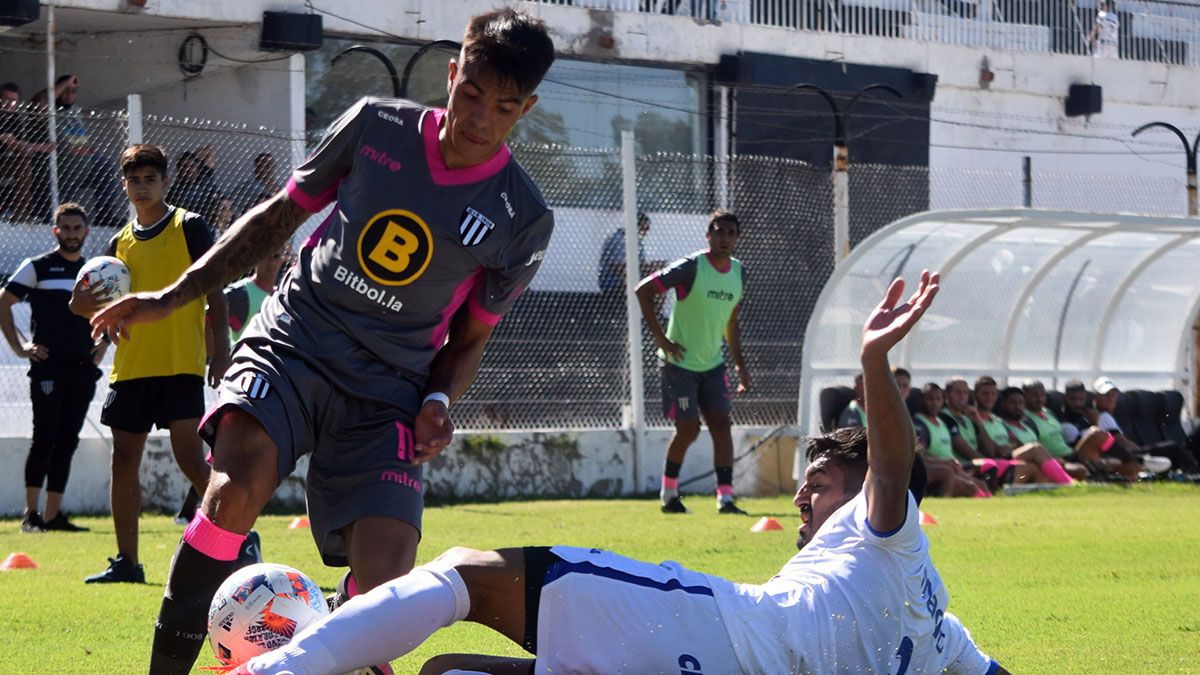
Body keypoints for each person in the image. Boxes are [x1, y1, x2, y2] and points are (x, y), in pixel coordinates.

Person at [229, 271, 1007, 675]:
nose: (805, 496)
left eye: (824, 483)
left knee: (469, 573)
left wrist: (872, 362)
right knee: (450, 669)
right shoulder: (943, 634)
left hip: (722, 633)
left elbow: (893, 464)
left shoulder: (888, 532)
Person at [90, 10, 556, 674]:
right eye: (471, 93)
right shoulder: (375, 126)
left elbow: (471, 335)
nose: (480, 116)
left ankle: (341, 624)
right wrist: (168, 297)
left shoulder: (525, 217)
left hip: (389, 390)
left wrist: (439, 400)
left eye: (503, 107)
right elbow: (278, 218)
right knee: (234, 489)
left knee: (386, 588)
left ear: (526, 109)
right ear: (452, 75)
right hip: (295, 343)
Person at [69, 144, 232, 584]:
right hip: (132, 365)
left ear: (165, 182)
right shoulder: (116, 243)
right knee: (123, 461)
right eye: (134, 180)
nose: (142, 187)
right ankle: (128, 562)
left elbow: (214, 288)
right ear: (124, 185)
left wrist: (222, 347)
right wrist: (80, 305)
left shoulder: (189, 226)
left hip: (180, 361)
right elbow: (100, 302)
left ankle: (240, 540)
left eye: (150, 179)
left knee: (190, 460)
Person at [635, 210, 751, 514]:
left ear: (737, 239)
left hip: (713, 365)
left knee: (721, 426)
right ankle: (669, 495)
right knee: (688, 429)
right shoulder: (691, 267)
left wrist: (739, 364)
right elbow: (643, 291)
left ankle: (725, 498)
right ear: (708, 235)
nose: (725, 238)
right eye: (719, 231)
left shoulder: (739, 273)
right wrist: (661, 339)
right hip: (679, 364)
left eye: (730, 233)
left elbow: (731, 323)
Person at [0, 202, 105, 532]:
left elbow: (114, 311)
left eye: (78, 228)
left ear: (86, 232)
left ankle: (53, 515)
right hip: (47, 368)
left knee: (68, 440)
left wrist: (103, 345)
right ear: (55, 231)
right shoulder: (38, 266)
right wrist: (20, 348)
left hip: (83, 368)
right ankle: (30, 514)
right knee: (44, 437)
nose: (72, 234)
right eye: (66, 228)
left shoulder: (95, 270)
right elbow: (4, 302)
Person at [1090, 377, 1173, 477]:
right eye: (1106, 395)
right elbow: (1121, 442)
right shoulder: (1104, 416)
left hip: (1120, 453)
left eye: (1113, 395)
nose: (1110, 398)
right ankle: (1192, 473)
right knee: (1171, 447)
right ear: (1095, 398)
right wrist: (1142, 452)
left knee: (1169, 448)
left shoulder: (1102, 415)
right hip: (1120, 454)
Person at [225, 241, 292, 343]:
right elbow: (208, 320)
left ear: (282, 260)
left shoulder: (281, 299)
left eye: (276, 256)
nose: (271, 263)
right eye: (266, 256)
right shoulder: (240, 292)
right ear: (256, 258)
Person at [597, 211, 658, 294]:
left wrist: (650, 266)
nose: (646, 233)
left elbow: (640, 264)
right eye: (645, 229)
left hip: (629, 280)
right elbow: (619, 267)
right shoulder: (618, 240)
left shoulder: (638, 243)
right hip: (613, 282)